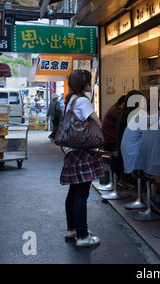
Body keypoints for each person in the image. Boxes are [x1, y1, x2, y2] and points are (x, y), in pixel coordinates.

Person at [60, 69, 104, 249]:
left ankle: (72, 229)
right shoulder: (83, 101)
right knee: (81, 195)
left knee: (73, 193)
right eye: (89, 81)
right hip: (83, 152)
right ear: (84, 82)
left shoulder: (70, 99)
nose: (90, 84)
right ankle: (83, 236)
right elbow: (98, 122)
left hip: (72, 151)